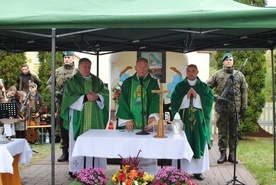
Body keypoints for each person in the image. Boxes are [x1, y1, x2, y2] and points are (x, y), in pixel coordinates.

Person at [60, 57, 109, 177]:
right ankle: (77, 169)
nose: (87, 69)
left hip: (95, 118)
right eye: (84, 67)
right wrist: (85, 98)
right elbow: (68, 98)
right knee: (78, 142)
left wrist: (98, 97)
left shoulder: (97, 81)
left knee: (96, 142)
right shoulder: (73, 81)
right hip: (79, 117)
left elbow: (105, 93)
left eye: (89, 67)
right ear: (79, 67)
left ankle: (97, 169)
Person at [116, 57, 160, 175]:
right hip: (132, 123)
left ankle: (148, 175)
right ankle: (130, 175)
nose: (142, 69)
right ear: (135, 68)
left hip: (147, 123)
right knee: (131, 148)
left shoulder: (153, 83)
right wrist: (128, 119)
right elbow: (123, 101)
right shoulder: (128, 82)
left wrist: (152, 115)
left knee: (147, 147)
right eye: (140, 66)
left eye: (145, 66)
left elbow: (156, 99)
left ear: (148, 68)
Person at [171, 64, 214, 181]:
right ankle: (181, 171)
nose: (190, 73)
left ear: (197, 72)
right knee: (183, 143)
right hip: (183, 122)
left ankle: (197, 171)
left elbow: (210, 99)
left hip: (199, 123)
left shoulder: (203, 87)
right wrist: (185, 97)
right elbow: (174, 100)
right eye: (188, 71)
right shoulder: (180, 86)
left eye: (193, 71)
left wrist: (197, 97)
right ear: (186, 72)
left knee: (198, 141)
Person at [206, 53, 247, 164]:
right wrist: (216, 98)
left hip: (235, 109)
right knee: (222, 133)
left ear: (233, 62)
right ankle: (222, 154)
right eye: (227, 60)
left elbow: (244, 92)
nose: (229, 61)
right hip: (221, 109)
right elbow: (206, 88)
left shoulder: (239, 75)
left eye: (230, 59)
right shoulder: (217, 75)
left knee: (234, 133)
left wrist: (243, 107)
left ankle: (232, 155)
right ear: (223, 62)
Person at [46, 51, 77, 162]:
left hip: (74, 104)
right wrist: (56, 93)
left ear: (73, 58)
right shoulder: (57, 71)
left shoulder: (77, 72)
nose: (66, 59)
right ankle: (64, 152)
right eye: (65, 57)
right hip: (61, 103)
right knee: (62, 126)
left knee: (74, 126)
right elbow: (49, 84)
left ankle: (75, 151)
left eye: (68, 57)